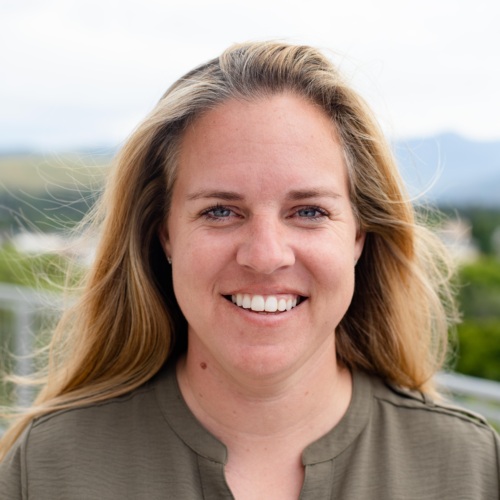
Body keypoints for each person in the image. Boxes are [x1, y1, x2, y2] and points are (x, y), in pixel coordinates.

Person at [0, 41, 499, 499]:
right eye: (220, 211)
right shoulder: (46, 469)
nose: (265, 255)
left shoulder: (471, 469)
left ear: (358, 236)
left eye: (308, 212)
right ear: (165, 234)